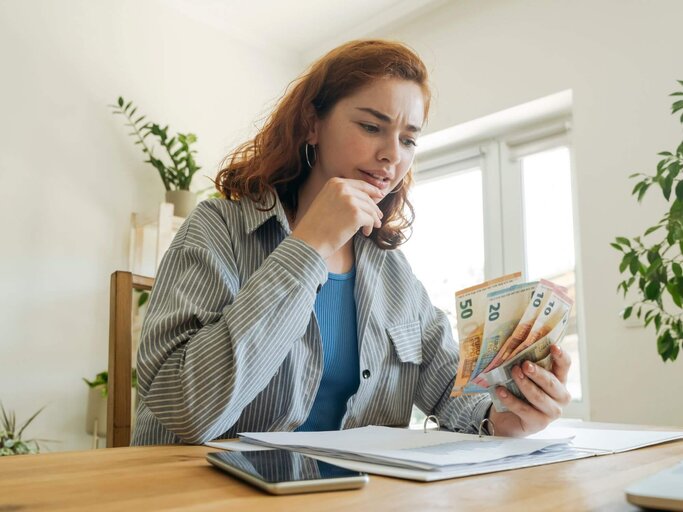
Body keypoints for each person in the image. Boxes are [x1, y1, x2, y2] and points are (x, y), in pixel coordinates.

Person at [132, 39, 572, 446]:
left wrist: (508, 416)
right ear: (311, 125)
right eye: (370, 126)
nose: (392, 155)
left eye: (408, 139)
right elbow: (184, 409)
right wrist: (308, 248)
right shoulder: (217, 229)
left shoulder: (393, 273)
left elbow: (455, 396)